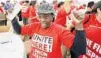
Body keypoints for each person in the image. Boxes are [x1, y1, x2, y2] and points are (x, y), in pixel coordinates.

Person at [10, 2, 85, 58]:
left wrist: (79, 24)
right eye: (40, 16)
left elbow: (80, 49)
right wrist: (13, 18)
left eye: (46, 17)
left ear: (52, 17)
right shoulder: (35, 26)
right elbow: (19, 30)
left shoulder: (60, 30)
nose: (42, 20)